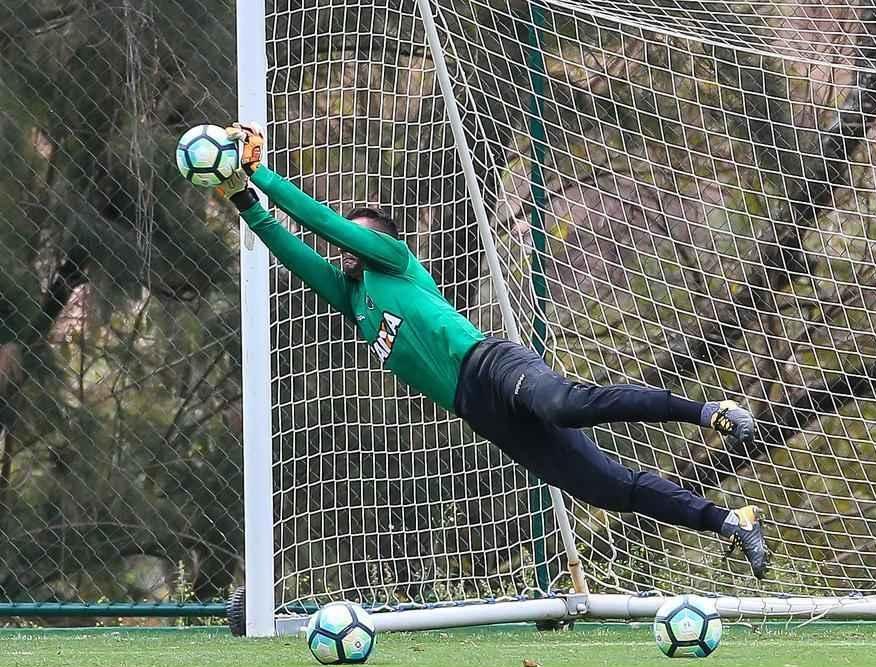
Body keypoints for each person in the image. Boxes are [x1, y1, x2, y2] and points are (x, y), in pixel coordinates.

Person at [218, 123, 769, 579]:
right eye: (349, 245)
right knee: (602, 488)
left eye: (358, 238)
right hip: (476, 408)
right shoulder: (352, 296)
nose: (346, 249)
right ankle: (729, 521)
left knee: (565, 404)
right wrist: (245, 197)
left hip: (492, 364)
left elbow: (329, 227)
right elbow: (293, 250)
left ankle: (710, 411)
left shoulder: (392, 260)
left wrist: (261, 171)